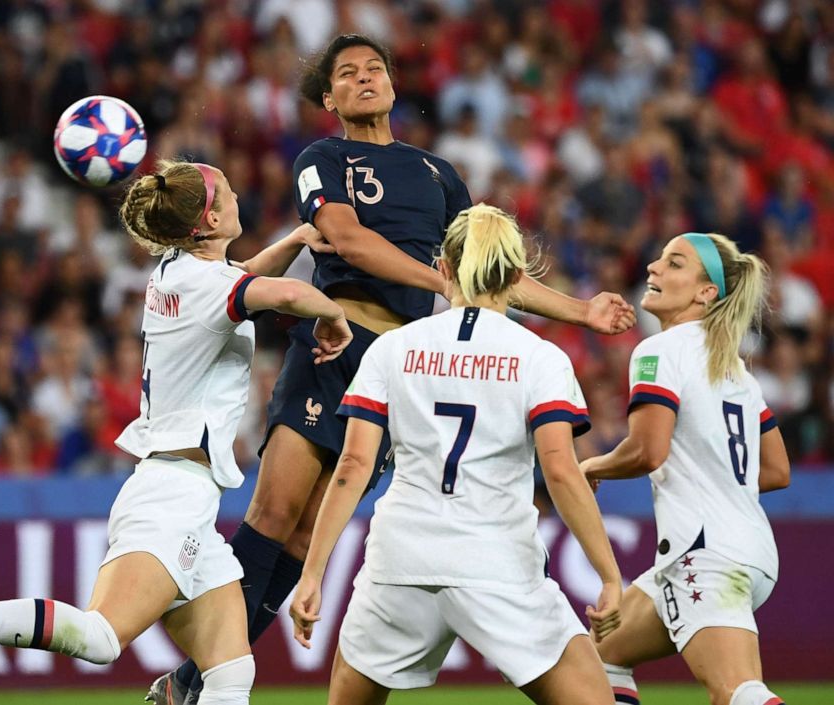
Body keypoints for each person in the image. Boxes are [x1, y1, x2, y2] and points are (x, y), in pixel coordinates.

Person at [153, 33, 636, 705]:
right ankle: (200, 675)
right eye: (347, 74)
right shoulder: (322, 158)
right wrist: (446, 284)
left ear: (393, 85)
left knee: (305, 531)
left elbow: (491, 272)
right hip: (333, 350)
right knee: (273, 513)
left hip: (401, 370)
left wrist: (582, 311)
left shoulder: (438, 174)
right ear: (330, 98)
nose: (364, 78)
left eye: (374, 68)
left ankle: (194, 679)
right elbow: (348, 239)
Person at [0, 160, 354, 705]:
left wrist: (297, 239)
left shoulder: (181, 272)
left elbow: (247, 281)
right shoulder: (210, 283)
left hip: (183, 495)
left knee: (231, 672)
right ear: (210, 219)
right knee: (101, 637)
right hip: (170, 497)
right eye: (231, 191)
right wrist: (334, 315)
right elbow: (283, 296)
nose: (241, 195)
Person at [290, 203, 623, 705]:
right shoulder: (541, 358)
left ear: (443, 269)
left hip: (400, 562)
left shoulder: (392, 349)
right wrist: (611, 575)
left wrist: (312, 572)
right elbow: (559, 471)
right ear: (515, 276)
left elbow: (353, 468)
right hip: (497, 563)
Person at [579, 232, 791, 705]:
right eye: (657, 260)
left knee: (737, 693)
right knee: (599, 655)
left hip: (705, 553)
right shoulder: (733, 369)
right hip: (747, 548)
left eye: (673, 264)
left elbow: (646, 451)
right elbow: (776, 469)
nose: (653, 268)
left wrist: (591, 465)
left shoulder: (660, 350)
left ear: (705, 291)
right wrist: (711, 472)